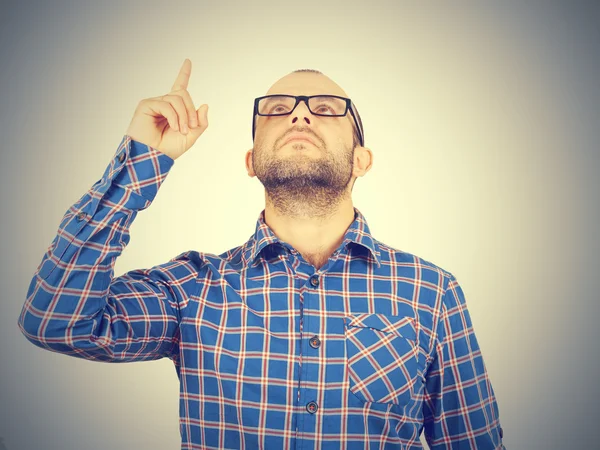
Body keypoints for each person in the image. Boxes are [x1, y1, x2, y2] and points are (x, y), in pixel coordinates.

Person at [18, 58, 505, 449]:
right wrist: (143, 161)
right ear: (252, 161)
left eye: (327, 107)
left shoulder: (431, 292)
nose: (299, 113)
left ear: (362, 159)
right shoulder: (193, 288)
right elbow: (55, 320)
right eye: (275, 107)